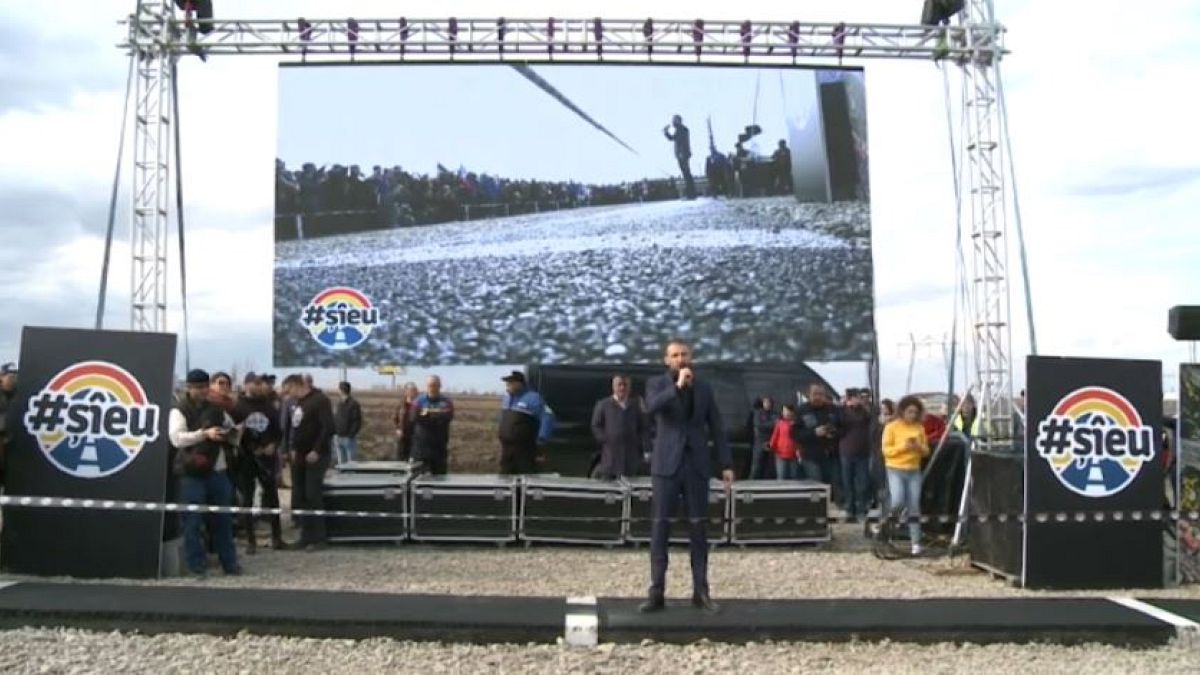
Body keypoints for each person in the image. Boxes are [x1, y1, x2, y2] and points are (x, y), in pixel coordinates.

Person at [639, 338, 734, 614]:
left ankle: (701, 591)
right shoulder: (657, 384)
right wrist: (676, 387)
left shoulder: (704, 388)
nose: (681, 359)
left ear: (691, 357)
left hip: (696, 465)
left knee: (698, 529)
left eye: (685, 354)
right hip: (666, 465)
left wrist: (725, 463)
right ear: (667, 360)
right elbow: (651, 409)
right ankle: (656, 592)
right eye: (675, 355)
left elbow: (716, 426)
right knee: (660, 528)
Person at [168, 369, 241, 577]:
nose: (202, 391)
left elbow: (231, 429)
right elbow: (177, 439)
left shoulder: (217, 409)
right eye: (198, 387)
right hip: (191, 472)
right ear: (189, 388)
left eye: (204, 387)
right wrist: (204, 434)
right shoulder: (179, 410)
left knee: (224, 520)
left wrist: (231, 435)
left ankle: (229, 563)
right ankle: (196, 565)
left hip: (217, 470)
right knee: (192, 521)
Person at [232, 372, 287, 554]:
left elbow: (279, 430)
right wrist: (246, 446)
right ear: (246, 385)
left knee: (272, 497)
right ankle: (250, 541)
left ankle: (277, 538)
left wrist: (273, 444)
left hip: (267, 458)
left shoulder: (268, 405)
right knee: (247, 499)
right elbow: (233, 434)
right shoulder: (238, 407)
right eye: (254, 383)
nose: (258, 386)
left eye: (259, 383)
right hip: (246, 459)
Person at [284, 374, 334, 551]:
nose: (288, 394)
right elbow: (296, 427)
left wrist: (317, 450)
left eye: (289, 390)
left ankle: (319, 538)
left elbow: (328, 427)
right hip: (299, 455)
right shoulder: (299, 403)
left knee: (313, 495)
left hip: (316, 456)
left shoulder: (320, 400)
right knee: (302, 495)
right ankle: (306, 536)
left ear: (298, 385)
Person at [882, 396, 932, 556]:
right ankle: (887, 529)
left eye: (915, 412)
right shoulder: (891, 427)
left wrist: (918, 447)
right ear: (902, 411)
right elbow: (886, 451)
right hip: (895, 469)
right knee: (897, 501)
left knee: (914, 506)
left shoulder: (919, 428)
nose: (912, 415)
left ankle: (915, 542)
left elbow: (926, 451)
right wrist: (903, 447)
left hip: (913, 470)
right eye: (910, 412)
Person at [590, 374, 649, 480]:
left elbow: (643, 427)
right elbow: (596, 425)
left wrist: (640, 442)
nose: (622, 388)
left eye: (625, 385)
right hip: (610, 456)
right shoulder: (604, 404)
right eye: (619, 385)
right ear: (613, 386)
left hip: (631, 457)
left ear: (629, 387)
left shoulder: (635, 406)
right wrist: (606, 439)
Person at [498, 371, 554, 475]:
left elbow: (547, 418)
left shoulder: (533, 398)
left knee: (525, 476)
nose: (507, 385)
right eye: (507, 383)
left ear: (520, 383)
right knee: (505, 476)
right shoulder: (507, 398)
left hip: (525, 449)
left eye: (511, 382)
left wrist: (541, 440)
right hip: (507, 449)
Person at [794, 384, 843, 496]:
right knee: (817, 486)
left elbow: (842, 428)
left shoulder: (833, 409)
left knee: (834, 484)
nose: (818, 397)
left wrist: (833, 433)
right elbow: (795, 434)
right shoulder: (802, 410)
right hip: (810, 456)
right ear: (808, 395)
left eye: (821, 394)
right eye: (815, 394)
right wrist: (813, 433)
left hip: (831, 455)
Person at [838, 389, 873, 520]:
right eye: (857, 397)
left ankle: (861, 509)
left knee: (862, 482)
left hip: (863, 451)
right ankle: (849, 508)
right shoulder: (842, 412)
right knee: (847, 481)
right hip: (846, 450)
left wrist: (864, 407)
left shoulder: (865, 411)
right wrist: (843, 406)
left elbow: (870, 418)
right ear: (850, 398)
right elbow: (838, 424)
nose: (860, 400)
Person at [410, 375, 454, 475]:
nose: (433, 388)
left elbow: (447, 417)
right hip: (421, 447)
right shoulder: (418, 401)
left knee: (439, 478)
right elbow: (414, 418)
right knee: (417, 477)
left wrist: (427, 414)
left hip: (439, 447)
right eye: (430, 385)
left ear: (440, 386)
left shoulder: (446, 402)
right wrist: (436, 415)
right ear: (426, 386)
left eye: (435, 385)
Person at [663, 114, 696, 199]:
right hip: (683, 154)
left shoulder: (681, 129)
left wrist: (681, 154)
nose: (672, 122)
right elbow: (673, 138)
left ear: (678, 120)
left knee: (686, 174)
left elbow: (679, 141)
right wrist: (666, 132)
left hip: (682, 155)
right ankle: (691, 194)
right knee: (686, 173)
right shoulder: (681, 129)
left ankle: (691, 194)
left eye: (674, 120)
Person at [333, 381, 363, 465]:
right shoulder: (338, 403)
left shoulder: (353, 404)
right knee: (341, 463)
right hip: (338, 437)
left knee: (351, 464)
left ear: (342, 390)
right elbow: (336, 418)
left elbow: (357, 421)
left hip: (348, 438)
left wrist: (351, 434)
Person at [768, 404, 800, 480]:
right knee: (781, 476)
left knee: (794, 476)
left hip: (794, 454)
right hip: (780, 453)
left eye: (788, 411)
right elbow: (774, 436)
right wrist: (770, 446)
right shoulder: (779, 423)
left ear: (793, 412)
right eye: (785, 411)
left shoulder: (797, 423)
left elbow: (799, 438)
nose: (787, 413)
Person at [748, 396, 778, 480]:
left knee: (770, 468)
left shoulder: (775, 414)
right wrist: (772, 424)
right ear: (763, 403)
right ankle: (750, 485)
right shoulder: (758, 413)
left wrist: (768, 425)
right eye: (765, 402)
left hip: (771, 442)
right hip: (759, 442)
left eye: (769, 403)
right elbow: (759, 425)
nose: (767, 404)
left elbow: (777, 425)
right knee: (756, 467)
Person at [393, 382, 420, 461]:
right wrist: (397, 429)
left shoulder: (419, 404)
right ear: (406, 391)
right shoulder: (401, 404)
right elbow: (395, 418)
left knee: (414, 458)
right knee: (401, 457)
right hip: (403, 435)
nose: (412, 392)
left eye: (414, 390)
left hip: (416, 435)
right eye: (410, 390)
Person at [0, 362, 17, 486]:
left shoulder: (19, 394)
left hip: (12, 447)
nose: (13, 380)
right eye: (10, 377)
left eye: (15, 377)